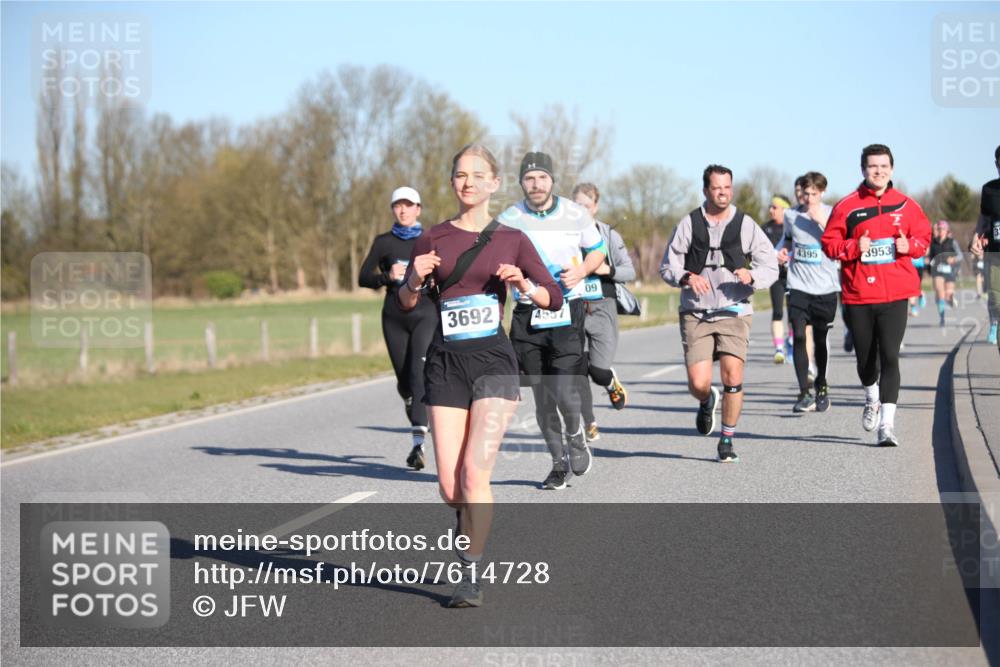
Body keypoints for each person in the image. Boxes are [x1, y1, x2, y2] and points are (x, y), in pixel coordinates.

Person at [398, 144, 562, 607]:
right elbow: (405, 302)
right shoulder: (431, 238)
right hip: (446, 363)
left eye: (476, 175)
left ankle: (471, 575)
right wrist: (413, 278)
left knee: (475, 473)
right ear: (452, 183)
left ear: (493, 183)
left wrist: (525, 286)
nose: (466, 182)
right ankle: (467, 521)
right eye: (459, 175)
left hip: (494, 361)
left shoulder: (512, 239)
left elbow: (554, 296)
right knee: (451, 487)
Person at [499, 152, 608, 490]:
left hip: (567, 310)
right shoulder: (509, 218)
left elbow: (598, 250)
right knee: (543, 395)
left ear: (552, 181)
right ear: (521, 183)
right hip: (527, 315)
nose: (536, 184)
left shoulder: (575, 214)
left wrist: (582, 270)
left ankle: (575, 432)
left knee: (562, 388)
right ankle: (558, 464)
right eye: (529, 179)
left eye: (542, 177)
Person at [660, 164, 779, 462]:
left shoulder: (745, 224)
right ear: (705, 190)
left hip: (734, 310)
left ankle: (726, 439)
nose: (722, 192)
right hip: (696, 312)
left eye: (727, 187)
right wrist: (687, 277)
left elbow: (770, 266)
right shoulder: (689, 224)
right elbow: (667, 266)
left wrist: (752, 276)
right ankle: (706, 400)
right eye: (716, 188)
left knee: (732, 374)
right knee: (698, 383)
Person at [821, 144, 931, 447]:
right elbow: (829, 245)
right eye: (873, 166)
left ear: (892, 169)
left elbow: (923, 238)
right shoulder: (846, 206)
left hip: (896, 292)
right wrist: (855, 247)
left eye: (884, 166)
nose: (878, 171)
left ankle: (887, 424)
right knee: (866, 360)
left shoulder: (907, 205)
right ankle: (871, 397)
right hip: (859, 294)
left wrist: (912, 247)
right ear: (863, 170)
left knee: (890, 356)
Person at [358, 187, 437, 469]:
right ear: (393, 209)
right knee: (405, 381)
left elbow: (445, 274)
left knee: (418, 374)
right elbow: (363, 278)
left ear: (419, 209)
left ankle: (418, 445)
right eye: (398, 206)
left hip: (425, 313)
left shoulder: (431, 239)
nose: (403, 211)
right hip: (394, 316)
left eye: (409, 205)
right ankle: (410, 400)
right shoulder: (384, 242)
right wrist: (386, 276)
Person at [571, 183, 634, 442]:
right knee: (577, 367)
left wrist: (605, 269)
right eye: (575, 206)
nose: (580, 211)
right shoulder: (563, 236)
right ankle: (589, 423)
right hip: (573, 307)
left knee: (597, 370)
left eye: (585, 206)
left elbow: (630, 271)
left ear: (595, 207)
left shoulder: (609, 235)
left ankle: (610, 382)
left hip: (603, 307)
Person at [776, 172, 840, 413]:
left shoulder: (832, 212)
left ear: (822, 193)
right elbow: (787, 240)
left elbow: (841, 241)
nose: (809, 198)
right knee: (800, 336)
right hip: (798, 285)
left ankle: (822, 383)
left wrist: (822, 221)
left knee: (821, 339)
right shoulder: (791, 215)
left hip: (825, 287)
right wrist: (782, 252)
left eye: (814, 194)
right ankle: (804, 392)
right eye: (805, 193)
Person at [971, 144, 1000, 347]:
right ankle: (995, 323)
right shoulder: (989, 189)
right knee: (997, 301)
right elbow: (984, 219)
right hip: (995, 255)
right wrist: (976, 237)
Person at [762, 194, 791, 364]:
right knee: (778, 311)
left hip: (795, 276)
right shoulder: (765, 228)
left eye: (775, 207)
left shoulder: (792, 227)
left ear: (784, 210)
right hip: (776, 276)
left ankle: (793, 341)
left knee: (795, 315)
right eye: (770, 207)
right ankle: (779, 349)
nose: (771, 210)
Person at [928, 220, 964, 326]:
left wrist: (953, 259)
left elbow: (960, 255)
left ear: (947, 230)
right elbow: (931, 258)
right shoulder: (933, 242)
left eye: (943, 229)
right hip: (937, 271)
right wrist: (930, 267)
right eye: (939, 229)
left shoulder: (952, 241)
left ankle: (951, 299)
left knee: (948, 294)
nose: (941, 231)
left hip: (949, 270)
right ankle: (942, 318)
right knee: (940, 294)